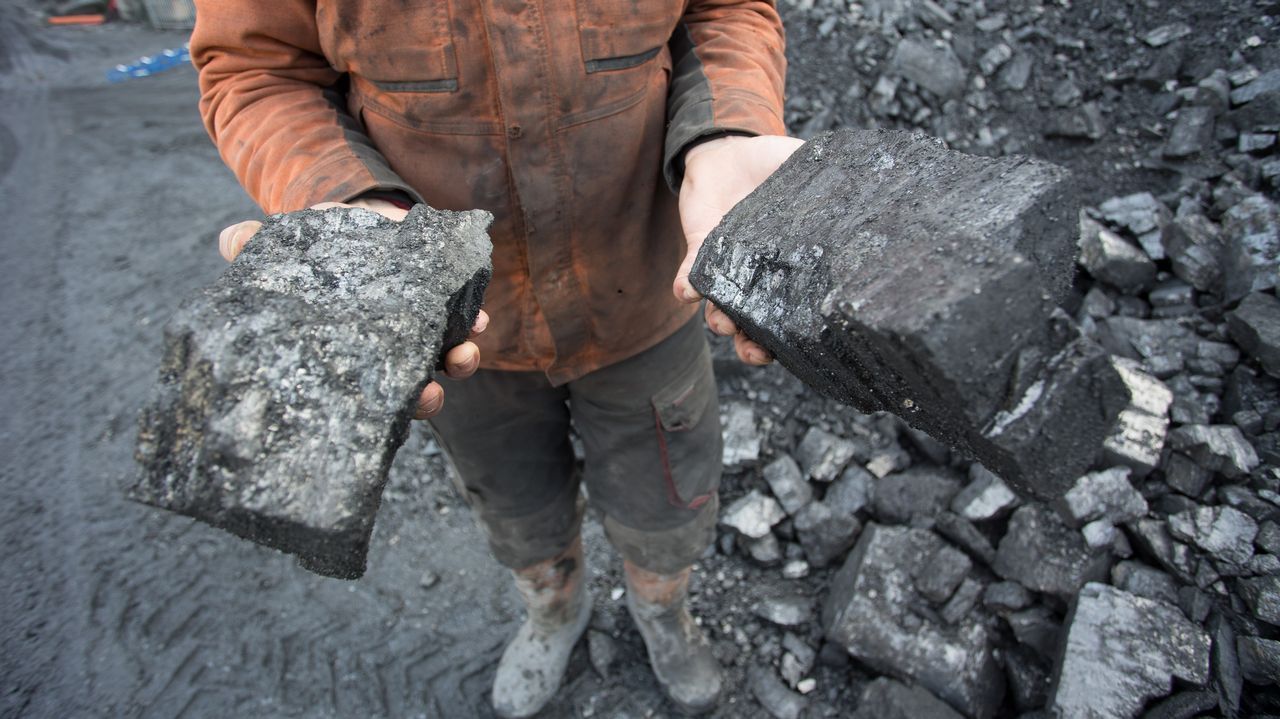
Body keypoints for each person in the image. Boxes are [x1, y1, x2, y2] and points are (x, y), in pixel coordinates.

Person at [192, 1, 802, 715]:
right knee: (518, 507)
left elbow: (724, 11)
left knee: (665, 500)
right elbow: (258, 69)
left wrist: (727, 131)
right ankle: (553, 611)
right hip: (464, 332)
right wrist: (342, 198)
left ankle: (663, 611)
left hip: (643, 294)